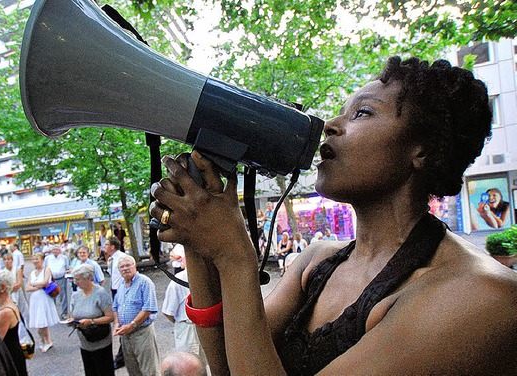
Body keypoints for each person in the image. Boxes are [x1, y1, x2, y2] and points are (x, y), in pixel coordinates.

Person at [150, 57, 517, 374]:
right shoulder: (316, 261)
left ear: (422, 149)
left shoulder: (480, 295)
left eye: (362, 112)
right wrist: (197, 238)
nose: (331, 124)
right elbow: (228, 366)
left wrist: (234, 257)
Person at [113, 255, 161, 376]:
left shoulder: (144, 282)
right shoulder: (121, 286)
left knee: (150, 371)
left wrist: (132, 324)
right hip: (125, 335)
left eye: (128, 265)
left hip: (142, 332)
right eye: (122, 267)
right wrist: (117, 324)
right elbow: (115, 307)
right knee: (133, 370)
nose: (125, 269)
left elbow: (148, 308)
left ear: (135, 266)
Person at [68, 264, 114, 376]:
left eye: (78, 279)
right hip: (84, 341)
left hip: (101, 341)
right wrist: (71, 321)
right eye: (75, 279)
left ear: (88, 278)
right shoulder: (75, 295)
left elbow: (110, 317)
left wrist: (92, 321)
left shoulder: (100, 293)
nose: (76, 282)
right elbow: (73, 314)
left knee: (104, 371)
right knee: (90, 371)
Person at [161, 261, 206, 367]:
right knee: (187, 364)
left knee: (204, 364)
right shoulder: (177, 281)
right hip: (186, 327)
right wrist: (182, 323)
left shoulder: (205, 277)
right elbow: (168, 311)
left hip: (204, 325)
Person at [0, 270, 28, 376]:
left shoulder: (4, 312)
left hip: (9, 357)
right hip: (14, 353)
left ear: (3, 288)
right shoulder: (11, 304)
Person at [25, 252, 59, 352]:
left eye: (37, 259)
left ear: (42, 259)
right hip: (35, 299)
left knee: (42, 321)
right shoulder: (32, 273)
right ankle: (45, 341)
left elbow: (45, 283)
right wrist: (38, 286)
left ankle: (46, 341)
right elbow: (27, 288)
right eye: (34, 259)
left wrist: (34, 284)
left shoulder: (46, 269)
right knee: (40, 321)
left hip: (43, 298)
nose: (35, 261)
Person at [104, 236, 127, 369]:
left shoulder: (122, 258)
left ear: (112, 246)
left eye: (107, 244)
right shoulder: (111, 259)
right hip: (115, 291)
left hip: (121, 291)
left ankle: (121, 357)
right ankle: (121, 355)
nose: (105, 246)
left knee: (122, 320)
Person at [44, 245, 70, 319]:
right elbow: (45, 268)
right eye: (54, 249)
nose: (55, 251)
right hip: (51, 279)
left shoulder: (64, 258)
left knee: (63, 296)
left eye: (57, 249)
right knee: (52, 295)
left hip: (61, 278)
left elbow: (67, 268)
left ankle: (64, 313)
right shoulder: (47, 258)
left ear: (60, 250)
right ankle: (52, 313)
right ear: (52, 251)